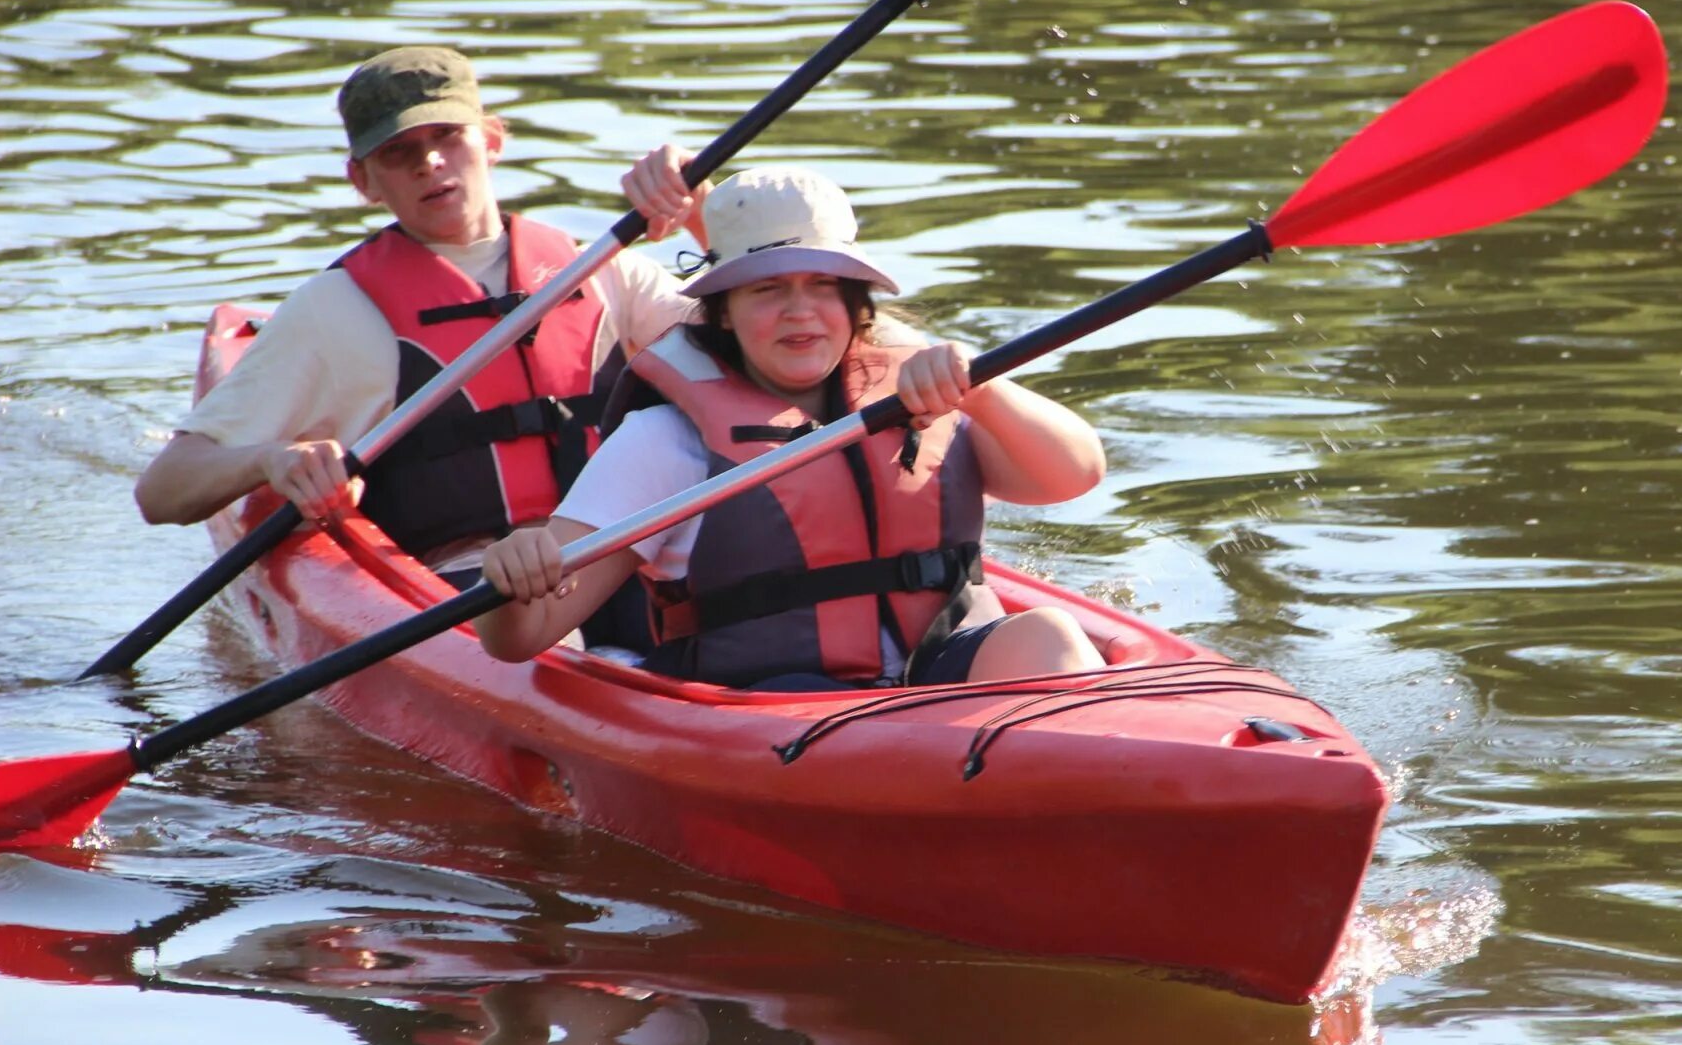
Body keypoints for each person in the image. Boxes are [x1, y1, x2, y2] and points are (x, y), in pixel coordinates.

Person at [475, 165, 1109, 689]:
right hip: (776, 708)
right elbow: (522, 639)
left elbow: (1075, 475)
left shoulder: (925, 389)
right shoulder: (663, 441)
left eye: (823, 285)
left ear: (856, 304)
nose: (799, 312)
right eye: (767, 289)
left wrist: (986, 392)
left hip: (939, 675)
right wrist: (512, 577)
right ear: (722, 314)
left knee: (1045, 633)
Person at [133, 45, 711, 584]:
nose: (429, 162)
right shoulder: (331, 312)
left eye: (447, 136)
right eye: (398, 151)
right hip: (469, 587)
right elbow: (163, 492)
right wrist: (270, 460)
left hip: (624, 556)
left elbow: (765, 356)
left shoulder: (600, 269)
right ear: (362, 180)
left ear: (491, 139)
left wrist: (705, 214)